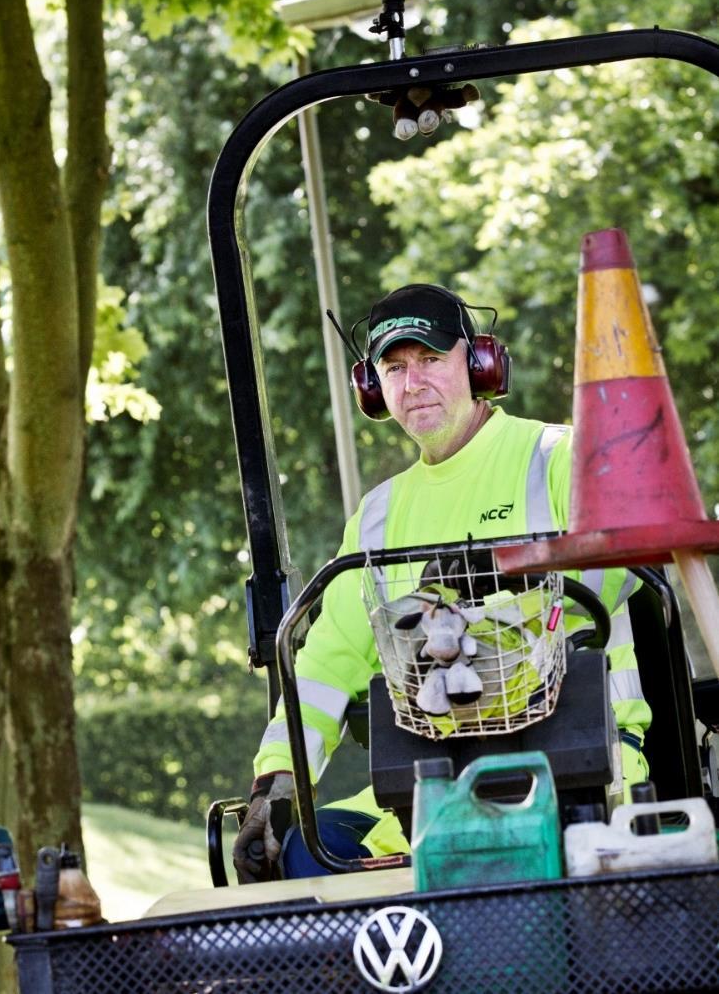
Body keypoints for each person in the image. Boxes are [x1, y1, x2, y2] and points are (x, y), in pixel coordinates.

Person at [233, 283, 651, 883]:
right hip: (425, 788)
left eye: (431, 359)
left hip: (580, 767)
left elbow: (616, 572)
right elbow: (325, 669)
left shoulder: (560, 457)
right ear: (373, 389)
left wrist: (498, 572)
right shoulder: (377, 519)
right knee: (308, 850)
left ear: (478, 364)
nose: (414, 382)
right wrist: (274, 783)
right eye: (395, 368)